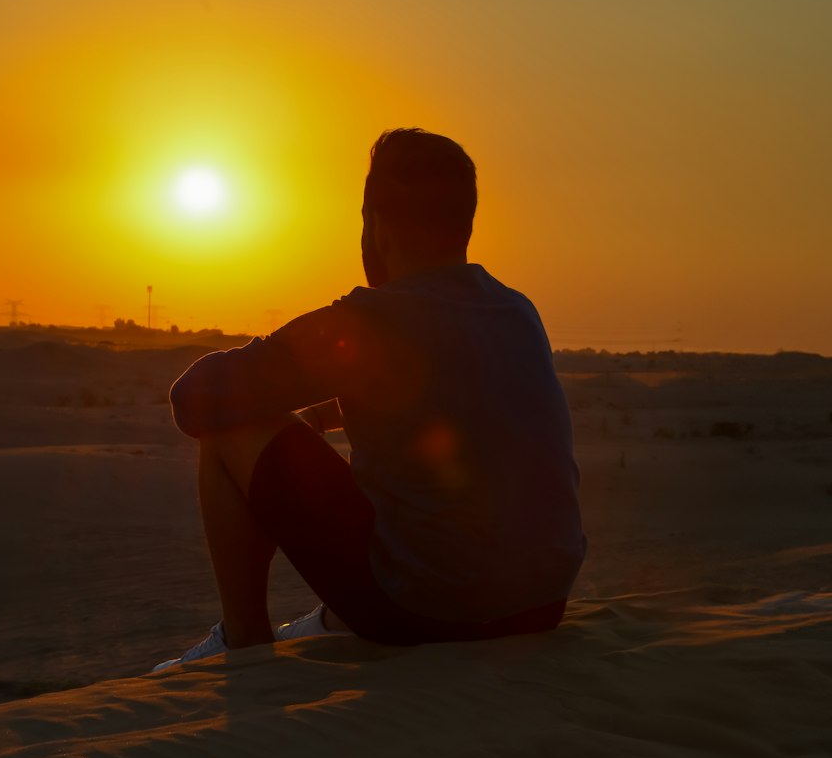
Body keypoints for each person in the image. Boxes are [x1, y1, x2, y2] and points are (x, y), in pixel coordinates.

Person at [153, 128, 584, 669]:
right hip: (540, 606)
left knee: (229, 430)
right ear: (465, 224)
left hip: (428, 614)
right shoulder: (517, 311)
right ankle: (329, 624)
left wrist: (275, 386)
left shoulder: (372, 320)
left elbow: (193, 400)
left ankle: (243, 643)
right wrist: (328, 408)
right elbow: (453, 404)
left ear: (374, 226)